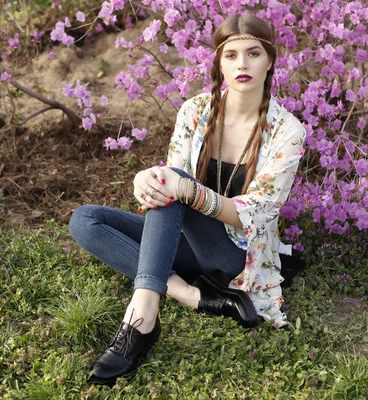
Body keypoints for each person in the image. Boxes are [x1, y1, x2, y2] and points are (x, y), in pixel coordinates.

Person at [68, 13, 306, 387]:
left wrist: (188, 190)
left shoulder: (287, 131)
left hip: (233, 254)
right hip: (185, 243)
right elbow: (168, 189)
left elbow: (250, 218)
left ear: (270, 59)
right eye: (231, 55)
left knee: (175, 180)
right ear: (219, 61)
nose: (242, 64)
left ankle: (142, 314)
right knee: (84, 219)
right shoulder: (195, 111)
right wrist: (142, 181)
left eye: (253, 53)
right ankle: (195, 297)